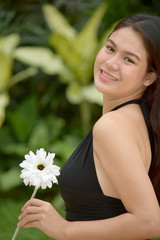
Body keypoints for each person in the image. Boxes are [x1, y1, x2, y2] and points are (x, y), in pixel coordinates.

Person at [17, 13, 160, 240]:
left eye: (129, 59)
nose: (111, 63)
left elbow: (150, 221)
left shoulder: (112, 126)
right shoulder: (137, 118)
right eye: (110, 48)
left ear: (149, 78)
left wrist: (64, 230)